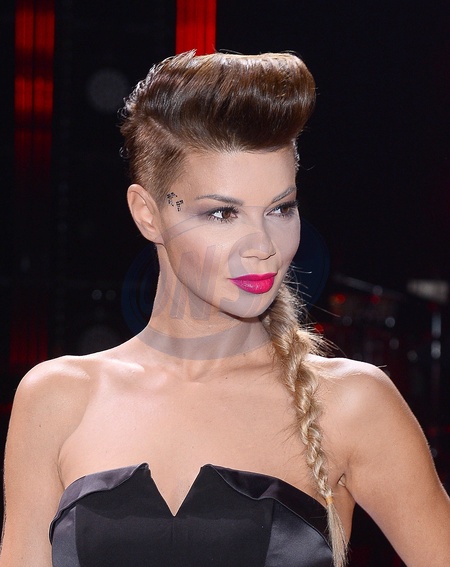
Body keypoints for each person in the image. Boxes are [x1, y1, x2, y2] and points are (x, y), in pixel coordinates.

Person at [1, 50, 449, 567]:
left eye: (281, 209)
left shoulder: (350, 403)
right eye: (221, 213)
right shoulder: (57, 398)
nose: (262, 245)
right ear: (148, 214)